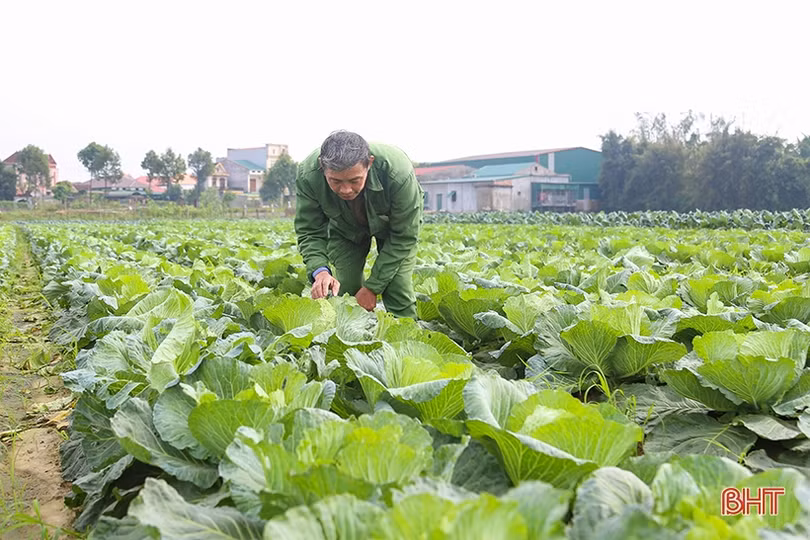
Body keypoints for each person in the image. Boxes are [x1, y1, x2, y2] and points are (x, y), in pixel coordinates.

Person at [294, 131, 424, 318]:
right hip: (345, 229)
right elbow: (310, 231)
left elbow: (404, 236)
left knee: (397, 289)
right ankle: (351, 342)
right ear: (323, 168)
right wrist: (320, 271)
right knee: (345, 291)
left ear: (369, 163)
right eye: (335, 181)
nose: (346, 189)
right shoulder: (309, 175)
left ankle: (406, 339)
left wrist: (372, 288)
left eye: (355, 180)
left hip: (393, 230)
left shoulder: (397, 171)